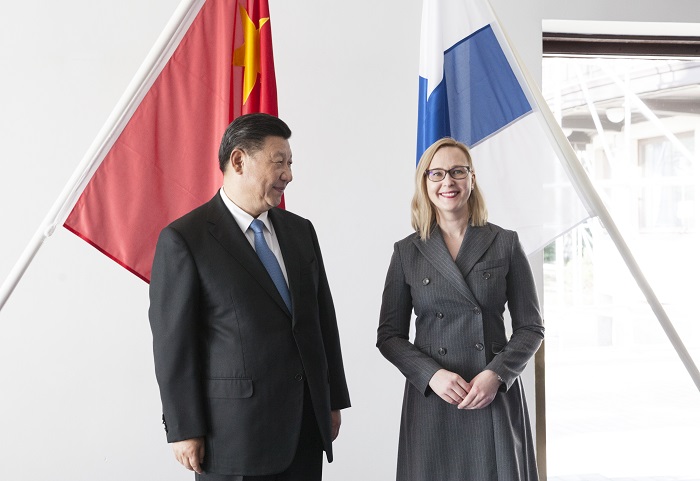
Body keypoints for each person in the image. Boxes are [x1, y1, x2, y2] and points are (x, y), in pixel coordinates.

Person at [149, 113, 351, 481]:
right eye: (279, 162)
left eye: (290, 163)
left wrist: (332, 400)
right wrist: (183, 428)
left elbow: (322, 321)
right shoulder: (185, 239)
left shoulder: (300, 231)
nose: (289, 174)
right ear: (239, 160)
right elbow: (173, 346)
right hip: (233, 437)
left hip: (306, 427)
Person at [376, 137, 544, 481]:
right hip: (434, 399)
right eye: (436, 174)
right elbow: (389, 336)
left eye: (457, 171)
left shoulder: (504, 242)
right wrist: (431, 375)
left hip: (491, 393)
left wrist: (497, 374)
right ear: (425, 183)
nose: (447, 182)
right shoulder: (407, 251)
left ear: (472, 178)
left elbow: (531, 327)